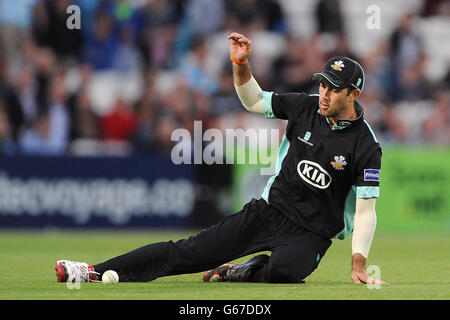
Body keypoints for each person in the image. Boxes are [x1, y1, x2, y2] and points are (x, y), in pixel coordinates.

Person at [55, 32, 388, 286]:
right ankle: (91, 271)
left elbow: (365, 211)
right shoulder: (305, 105)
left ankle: (241, 271)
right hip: (269, 211)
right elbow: (253, 100)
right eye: (323, 85)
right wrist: (241, 65)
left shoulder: (366, 145)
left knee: (285, 272)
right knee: (188, 252)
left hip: (312, 234)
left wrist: (359, 262)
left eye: (333, 89)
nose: (324, 94)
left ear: (353, 94)